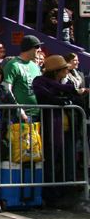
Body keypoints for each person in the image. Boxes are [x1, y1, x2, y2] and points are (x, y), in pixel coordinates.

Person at [33, 56, 82, 208]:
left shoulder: (68, 83)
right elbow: (45, 98)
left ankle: (63, 195)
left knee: (69, 165)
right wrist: (64, 100)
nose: (67, 71)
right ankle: (52, 197)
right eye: (65, 68)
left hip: (69, 131)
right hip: (51, 131)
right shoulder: (40, 82)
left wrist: (66, 99)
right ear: (57, 71)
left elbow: (78, 100)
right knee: (51, 164)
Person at [3, 35, 43, 122]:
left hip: (37, 114)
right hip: (21, 116)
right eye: (37, 47)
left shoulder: (35, 66)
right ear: (30, 48)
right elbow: (6, 89)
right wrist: (18, 110)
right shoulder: (13, 65)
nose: (40, 50)